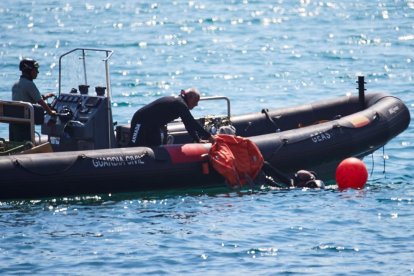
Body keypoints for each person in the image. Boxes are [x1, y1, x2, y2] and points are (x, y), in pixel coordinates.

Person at [129, 88, 215, 147]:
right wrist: (209, 136)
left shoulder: (180, 103)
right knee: (135, 147)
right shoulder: (179, 103)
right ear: (189, 97)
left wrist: (197, 140)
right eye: (196, 101)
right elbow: (191, 122)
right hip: (140, 121)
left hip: (153, 126)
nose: (196, 105)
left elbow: (188, 124)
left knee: (157, 148)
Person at [9, 58, 56, 142]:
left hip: (14, 122)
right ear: (29, 71)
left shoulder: (16, 84)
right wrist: (50, 112)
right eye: (36, 70)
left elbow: (28, 97)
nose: (37, 72)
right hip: (25, 123)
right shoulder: (29, 84)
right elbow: (40, 101)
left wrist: (46, 96)